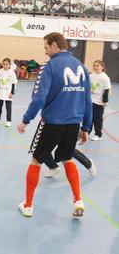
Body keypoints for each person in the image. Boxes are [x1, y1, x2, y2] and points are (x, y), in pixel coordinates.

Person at [17, 32, 92, 218]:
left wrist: (26, 120)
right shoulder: (82, 67)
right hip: (73, 123)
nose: (45, 52)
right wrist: (85, 127)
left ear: (55, 45)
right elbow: (87, 100)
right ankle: (78, 200)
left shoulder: (50, 66)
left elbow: (39, 98)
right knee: (67, 159)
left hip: (52, 123)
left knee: (36, 160)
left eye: (46, 47)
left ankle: (27, 205)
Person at [89, 60, 111, 141]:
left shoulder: (105, 77)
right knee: (89, 117)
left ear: (102, 67)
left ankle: (98, 134)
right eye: (94, 65)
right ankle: (87, 132)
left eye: (97, 66)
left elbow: (106, 89)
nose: (95, 67)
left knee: (97, 118)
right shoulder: (92, 75)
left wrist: (105, 101)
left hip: (99, 102)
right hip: (90, 100)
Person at [0, 58, 17, 127]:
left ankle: (8, 121)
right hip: (0, 92)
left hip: (8, 93)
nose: (5, 66)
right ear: (2, 64)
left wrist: (12, 93)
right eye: (4, 64)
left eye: (7, 64)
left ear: (9, 65)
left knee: (8, 108)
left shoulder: (12, 73)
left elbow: (14, 83)